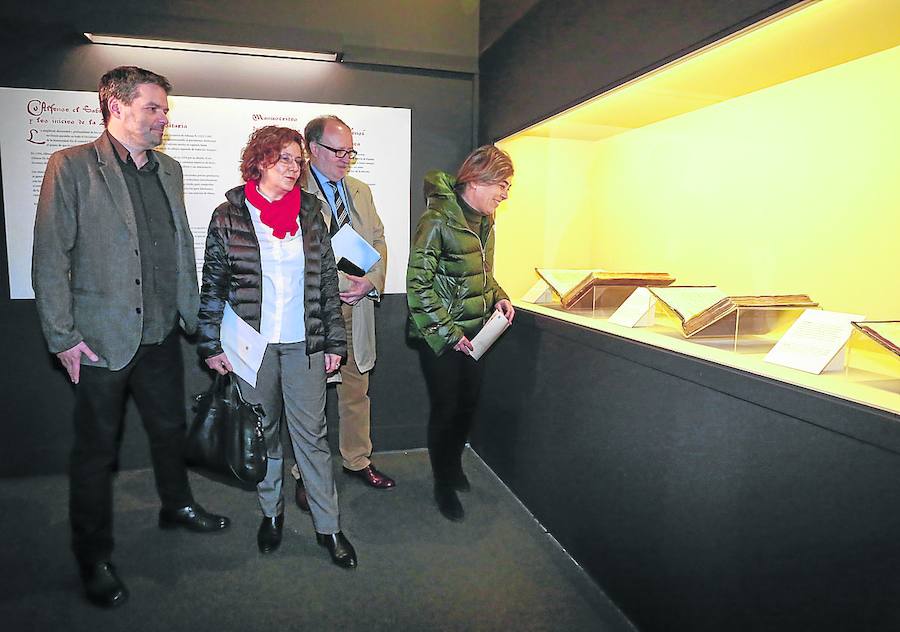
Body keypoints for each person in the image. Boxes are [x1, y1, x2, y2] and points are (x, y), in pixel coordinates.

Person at [32, 66, 230, 609]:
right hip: (100, 342)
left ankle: (177, 505)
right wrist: (63, 337)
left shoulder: (169, 169)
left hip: (162, 334)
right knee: (97, 453)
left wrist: (201, 326)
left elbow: (180, 249)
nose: (163, 118)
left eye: (165, 109)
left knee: (170, 431)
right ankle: (92, 556)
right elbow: (50, 256)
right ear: (115, 106)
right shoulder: (70, 166)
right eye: (153, 108)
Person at [197, 125, 357, 569]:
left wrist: (333, 342)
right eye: (284, 158)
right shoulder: (228, 214)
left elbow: (326, 282)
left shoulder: (311, 213)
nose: (294, 167)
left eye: (298, 159)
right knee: (263, 435)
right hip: (251, 346)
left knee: (313, 437)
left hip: (304, 343)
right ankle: (272, 513)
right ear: (261, 160)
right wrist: (209, 342)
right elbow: (213, 285)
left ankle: (329, 527)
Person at [289, 114, 394, 512]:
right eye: (338, 150)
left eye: (351, 150)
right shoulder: (293, 189)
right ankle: (305, 474)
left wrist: (372, 280)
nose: (346, 158)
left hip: (358, 306)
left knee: (356, 389)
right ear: (312, 149)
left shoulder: (361, 191)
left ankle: (357, 460)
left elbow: (379, 239)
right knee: (309, 396)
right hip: (315, 311)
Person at [406, 145, 516, 522]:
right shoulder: (437, 220)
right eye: (502, 185)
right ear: (477, 180)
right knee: (446, 408)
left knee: (467, 405)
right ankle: (442, 483)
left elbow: (480, 274)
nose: (505, 194)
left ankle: (453, 468)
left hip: (477, 333)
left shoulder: (485, 221)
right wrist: (450, 334)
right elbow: (418, 285)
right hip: (439, 336)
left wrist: (499, 297)